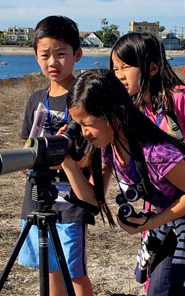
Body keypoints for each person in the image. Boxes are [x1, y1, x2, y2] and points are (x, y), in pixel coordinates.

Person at [62, 69, 185, 295]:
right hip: (168, 227)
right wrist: (68, 163)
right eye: (78, 125)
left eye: (88, 123)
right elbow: (91, 200)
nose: (84, 133)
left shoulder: (155, 153)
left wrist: (153, 221)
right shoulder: (112, 148)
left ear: (116, 115)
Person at [17, 15, 97, 296]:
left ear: (77, 54)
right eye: (45, 55)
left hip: (71, 201)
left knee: (74, 271)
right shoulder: (35, 99)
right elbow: (26, 145)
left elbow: (93, 149)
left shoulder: (84, 98)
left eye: (61, 54)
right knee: (49, 267)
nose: (53, 62)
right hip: (38, 197)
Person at [110, 32, 185, 294]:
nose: (118, 74)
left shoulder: (179, 100)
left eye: (125, 67)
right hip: (161, 221)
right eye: (114, 68)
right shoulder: (133, 111)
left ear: (152, 68)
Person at [110, 32, 185, 139]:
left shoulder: (178, 98)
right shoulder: (131, 106)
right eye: (116, 69)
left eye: (126, 67)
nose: (119, 76)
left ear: (152, 69)